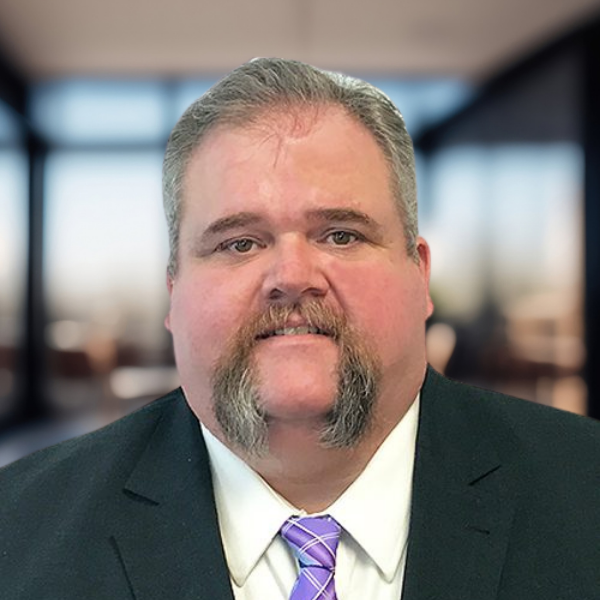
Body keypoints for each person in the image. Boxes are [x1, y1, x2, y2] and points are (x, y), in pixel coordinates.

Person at [1, 57, 599, 600]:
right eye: (239, 243)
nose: (291, 276)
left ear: (420, 276)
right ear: (174, 292)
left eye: (341, 234)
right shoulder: (18, 528)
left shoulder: (586, 489)